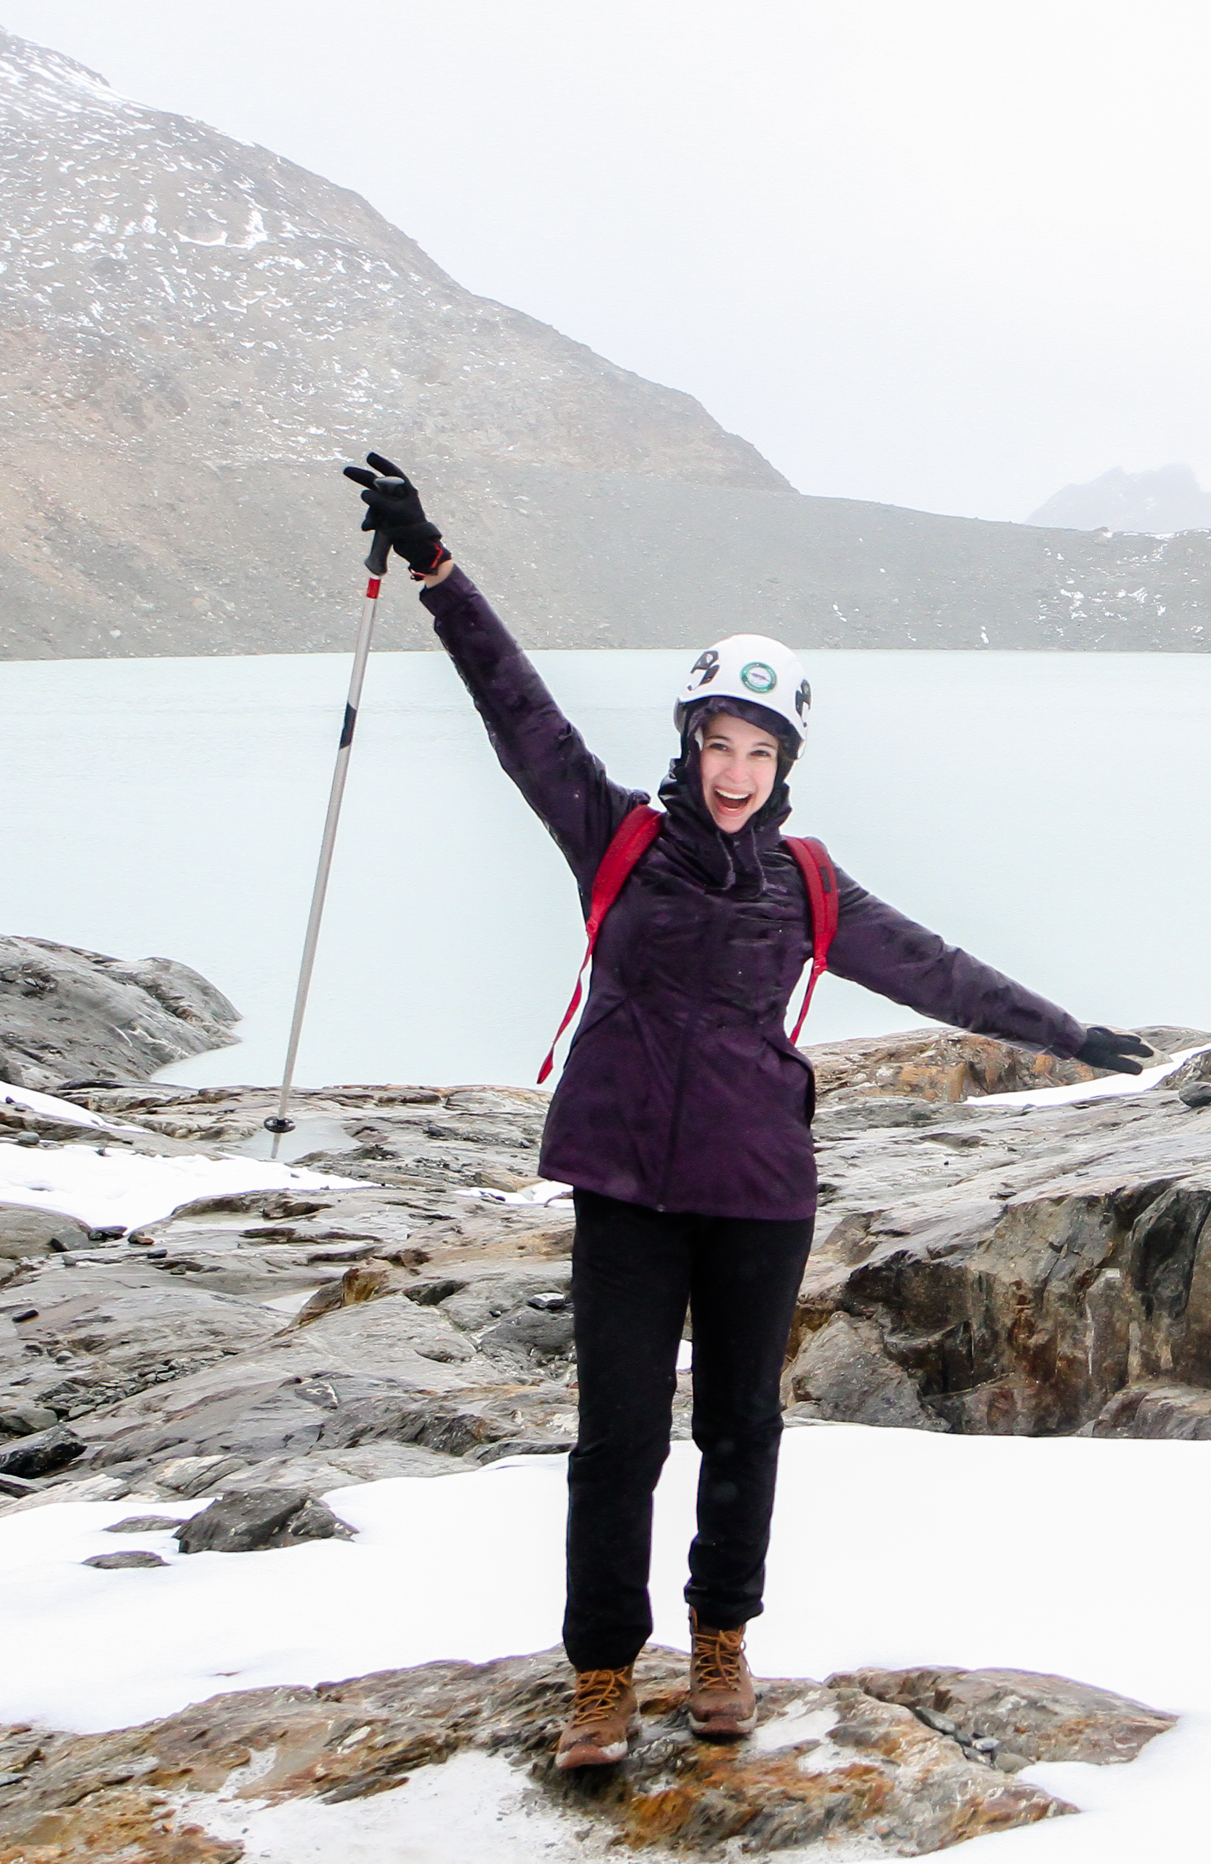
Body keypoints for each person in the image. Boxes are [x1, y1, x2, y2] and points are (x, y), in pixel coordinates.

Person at [343, 455, 1152, 1771]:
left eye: (759, 751)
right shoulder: (614, 837)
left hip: (758, 1193)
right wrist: (438, 570)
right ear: (690, 743)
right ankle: (603, 1674)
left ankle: (720, 1641)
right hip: (624, 1184)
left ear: (786, 764)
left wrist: (1072, 1035)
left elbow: (940, 971)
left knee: (741, 1429)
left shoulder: (809, 885)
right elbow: (519, 711)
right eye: (718, 744)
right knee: (616, 1441)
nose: (735, 770)